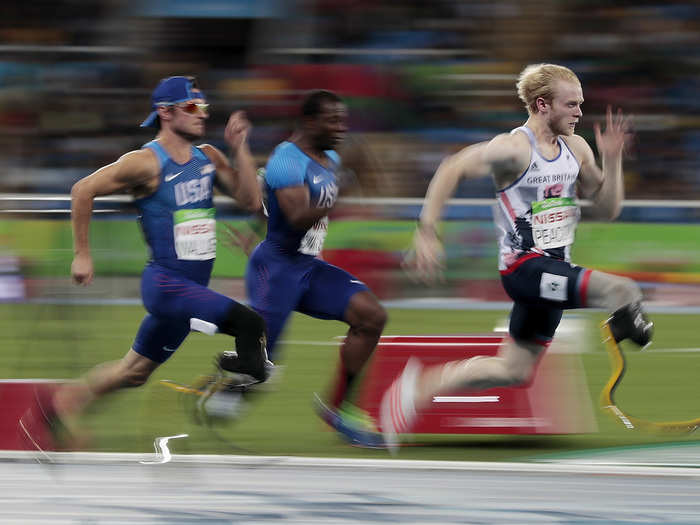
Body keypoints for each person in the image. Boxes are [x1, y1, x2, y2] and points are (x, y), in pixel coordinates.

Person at [380, 63, 653, 452]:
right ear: (543, 105)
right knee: (622, 290)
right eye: (571, 104)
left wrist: (613, 160)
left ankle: (414, 390)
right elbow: (451, 166)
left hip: (551, 271)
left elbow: (608, 207)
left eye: (580, 104)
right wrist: (427, 231)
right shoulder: (513, 149)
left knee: (513, 371)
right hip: (524, 269)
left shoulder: (576, 149)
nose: (579, 112)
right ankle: (626, 320)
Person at [20, 75, 268, 448]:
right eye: (191, 107)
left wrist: (241, 147)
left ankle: (56, 409)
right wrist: (82, 254)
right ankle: (218, 392)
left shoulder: (208, 157)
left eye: (204, 107)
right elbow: (82, 189)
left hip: (191, 290)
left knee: (134, 372)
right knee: (250, 325)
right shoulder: (145, 163)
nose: (202, 114)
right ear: (165, 112)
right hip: (167, 286)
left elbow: (250, 201)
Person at [237, 89, 388, 447]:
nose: (341, 127)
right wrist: (346, 187)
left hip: (307, 267)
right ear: (308, 122)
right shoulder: (286, 160)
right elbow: (298, 215)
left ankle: (339, 410)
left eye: (343, 120)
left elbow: (276, 206)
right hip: (276, 271)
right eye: (333, 120)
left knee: (371, 316)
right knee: (261, 370)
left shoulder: (329, 157)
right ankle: (221, 391)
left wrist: (254, 226)